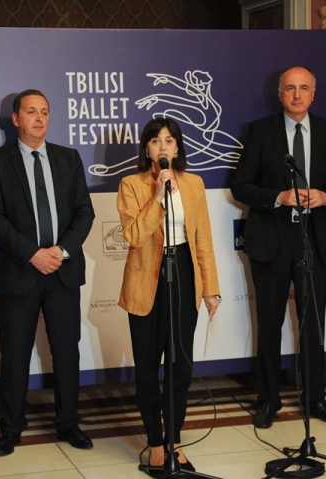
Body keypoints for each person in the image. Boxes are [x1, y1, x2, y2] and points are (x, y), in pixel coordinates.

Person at [231, 66, 326, 429]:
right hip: (272, 240)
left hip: (314, 239)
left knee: (313, 325)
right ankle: (268, 400)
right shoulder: (260, 131)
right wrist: (278, 197)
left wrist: (325, 196)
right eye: (290, 88)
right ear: (280, 94)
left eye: (303, 88)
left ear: (314, 94)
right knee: (269, 324)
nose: (297, 95)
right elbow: (241, 185)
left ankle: (315, 399)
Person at [0, 89, 95, 456]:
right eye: (31, 111)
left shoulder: (68, 158)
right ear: (16, 119)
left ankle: (69, 423)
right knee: (14, 354)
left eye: (44, 111)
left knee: (66, 352)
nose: (40, 118)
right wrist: (32, 254)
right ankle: (11, 428)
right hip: (19, 272)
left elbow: (84, 212)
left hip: (63, 271)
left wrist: (60, 251)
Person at [118, 118, 221, 472]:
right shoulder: (131, 185)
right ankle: (154, 444)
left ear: (177, 148)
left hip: (184, 275)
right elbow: (134, 235)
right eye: (155, 141)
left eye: (169, 140)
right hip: (146, 281)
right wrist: (158, 197)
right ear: (146, 149)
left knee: (180, 367)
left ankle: (173, 440)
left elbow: (203, 238)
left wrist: (211, 288)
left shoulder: (194, 184)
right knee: (148, 368)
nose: (163, 146)